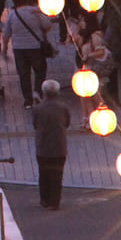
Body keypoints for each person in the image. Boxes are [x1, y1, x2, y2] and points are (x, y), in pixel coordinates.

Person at [33, 78, 71, 209]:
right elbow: (67, 124)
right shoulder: (63, 107)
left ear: (44, 93)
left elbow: (35, 125)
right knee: (57, 174)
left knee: (43, 173)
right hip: (59, 146)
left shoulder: (38, 108)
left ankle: (44, 199)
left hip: (42, 146)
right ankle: (55, 202)